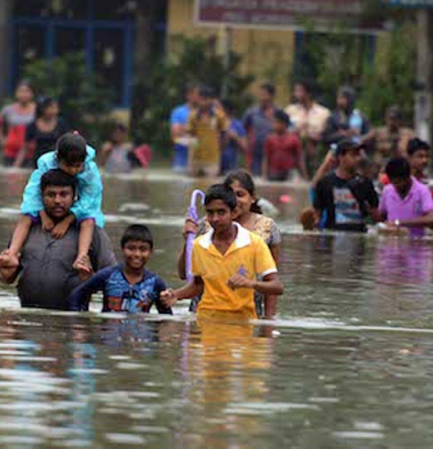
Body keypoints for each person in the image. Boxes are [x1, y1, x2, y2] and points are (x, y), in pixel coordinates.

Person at [0, 169, 117, 310]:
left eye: (64, 195)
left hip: (72, 323)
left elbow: (114, 281)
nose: (57, 201)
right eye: (51, 195)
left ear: (74, 197)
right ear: (41, 197)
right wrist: (5, 274)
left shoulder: (91, 233)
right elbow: (8, 277)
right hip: (27, 322)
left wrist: (90, 280)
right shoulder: (25, 230)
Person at [162, 184, 283, 320]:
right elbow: (198, 285)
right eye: (210, 213)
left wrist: (250, 283)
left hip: (242, 321)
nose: (215, 219)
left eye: (221, 212)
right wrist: (175, 295)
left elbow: (277, 287)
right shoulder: (199, 244)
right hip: (206, 320)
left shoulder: (254, 243)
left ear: (234, 213)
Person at [6, 132, 105, 278]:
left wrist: (67, 221)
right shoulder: (46, 163)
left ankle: (82, 258)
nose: (73, 171)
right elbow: (33, 193)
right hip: (47, 206)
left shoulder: (89, 170)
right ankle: (12, 253)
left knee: (89, 220)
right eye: (68, 166)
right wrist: (43, 215)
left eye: (77, 166)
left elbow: (90, 198)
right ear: (58, 159)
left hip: (79, 207)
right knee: (26, 216)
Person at [68, 224, 172, 314]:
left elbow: (167, 316)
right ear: (122, 249)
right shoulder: (108, 276)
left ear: (150, 252)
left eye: (143, 249)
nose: (137, 254)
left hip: (142, 335)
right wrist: (80, 325)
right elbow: (77, 296)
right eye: (131, 248)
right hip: (109, 334)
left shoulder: (155, 283)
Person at [312, 140, 379, 232]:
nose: (358, 158)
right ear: (341, 157)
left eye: (358, 154)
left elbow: (375, 215)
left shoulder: (365, 183)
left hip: (358, 237)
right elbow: (317, 216)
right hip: (332, 236)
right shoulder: (325, 183)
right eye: (353, 154)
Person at [377, 157, 433, 237]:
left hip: (416, 243)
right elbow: (381, 216)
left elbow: (431, 218)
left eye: (399, 182)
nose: (396, 186)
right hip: (392, 244)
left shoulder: (422, 190)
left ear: (407, 177)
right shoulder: (387, 190)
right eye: (393, 182)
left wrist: (399, 222)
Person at [285, 80, 331, 176]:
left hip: (317, 149)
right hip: (294, 151)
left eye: (299, 91)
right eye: (295, 91)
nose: (296, 94)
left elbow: (327, 133)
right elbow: (284, 130)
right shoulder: (290, 111)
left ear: (308, 93)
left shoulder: (323, 113)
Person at [14, 96, 70, 168]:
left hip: (57, 161)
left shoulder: (61, 123)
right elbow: (25, 148)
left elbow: (67, 144)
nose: (56, 108)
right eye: (52, 106)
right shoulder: (32, 125)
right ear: (43, 109)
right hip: (39, 162)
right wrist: (16, 166)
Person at [187, 86, 230, 177]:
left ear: (211, 100)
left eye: (206, 99)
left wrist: (219, 150)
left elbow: (225, 135)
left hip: (212, 159)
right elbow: (191, 138)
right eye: (201, 99)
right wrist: (190, 161)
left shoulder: (219, 115)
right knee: (195, 188)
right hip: (196, 159)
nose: (203, 102)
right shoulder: (193, 116)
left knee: (210, 186)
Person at [0, 80, 36, 167]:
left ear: (32, 94)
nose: (23, 94)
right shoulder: (8, 109)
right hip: (11, 150)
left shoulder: (37, 109)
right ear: (16, 94)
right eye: (21, 91)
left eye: (27, 91)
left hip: (31, 150)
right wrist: (2, 140)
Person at [243, 83, 280, 176]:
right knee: (255, 178)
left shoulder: (278, 112)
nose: (261, 97)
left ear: (271, 96)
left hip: (274, 153)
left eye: (264, 95)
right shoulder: (252, 112)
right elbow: (245, 129)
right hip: (256, 152)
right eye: (260, 94)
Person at [262, 110, 307, 182]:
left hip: (289, 173)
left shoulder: (294, 139)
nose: (274, 125)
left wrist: (304, 176)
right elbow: (266, 158)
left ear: (284, 124)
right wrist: (264, 175)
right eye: (273, 122)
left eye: (276, 122)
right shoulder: (270, 139)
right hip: (274, 172)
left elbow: (299, 158)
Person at [170, 83, 201, 172]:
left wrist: (184, 128)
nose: (199, 97)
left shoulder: (204, 113)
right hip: (181, 163)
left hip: (200, 163)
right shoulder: (178, 112)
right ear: (188, 95)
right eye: (197, 94)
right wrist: (195, 130)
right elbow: (175, 132)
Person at [220, 100, 248, 175]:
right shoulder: (217, 123)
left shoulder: (237, 125)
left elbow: (244, 146)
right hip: (216, 165)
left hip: (232, 166)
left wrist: (235, 137)